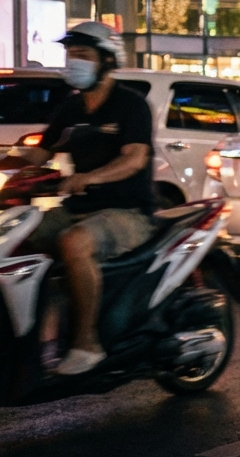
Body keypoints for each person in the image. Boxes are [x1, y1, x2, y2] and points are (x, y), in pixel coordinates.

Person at [12, 22, 156, 375]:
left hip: (127, 211)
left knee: (74, 244)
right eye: (71, 55)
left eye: (83, 55)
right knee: (16, 240)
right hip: (77, 208)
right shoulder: (71, 109)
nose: (73, 62)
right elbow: (39, 153)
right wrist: (10, 164)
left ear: (107, 61)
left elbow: (135, 157)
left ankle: (86, 341)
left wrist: (89, 177)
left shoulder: (131, 105)